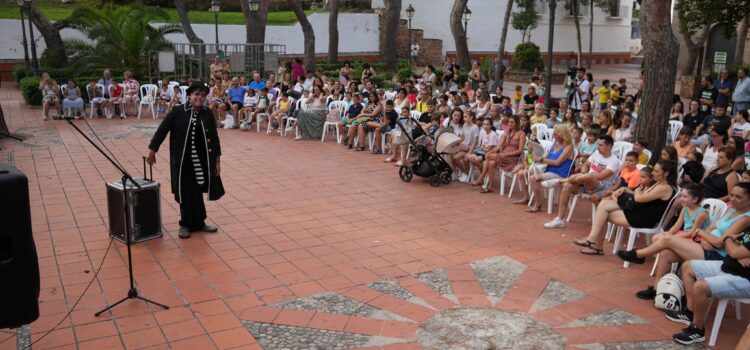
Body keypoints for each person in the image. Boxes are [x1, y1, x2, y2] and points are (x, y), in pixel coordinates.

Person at [665, 183, 750, 345]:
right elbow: (733, 247)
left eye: (738, 197)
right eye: (731, 195)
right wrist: (734, 244)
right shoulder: (738, 215)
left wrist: (731, 242)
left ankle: (697, 329)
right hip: (729, 265)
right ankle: (690, 312)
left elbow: (730, 247)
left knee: (701, 286)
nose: (732, 199)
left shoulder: (746, 219)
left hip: (744, 277)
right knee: (688, 266)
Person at [146, 83, 224, 239]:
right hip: (183, 161)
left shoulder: (207, 113)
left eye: (202, 95)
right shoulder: (177, 111)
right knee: (185, 192)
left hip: (201, 160)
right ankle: (185, 224)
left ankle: (200, 223)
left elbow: (214, 139)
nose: (199, 97)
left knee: (198, 191)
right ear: (189, 95)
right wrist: (152, 151)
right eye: (196, 94)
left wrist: (217, 161)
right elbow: (162, 130)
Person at [616, 184, 710, 299]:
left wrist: (671, 238)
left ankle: (639, 255)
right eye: (681, 196)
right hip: (685, 238)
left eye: (685, 197)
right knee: (663, 248)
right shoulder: (685, 208)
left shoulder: (701, 214)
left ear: (695, 199)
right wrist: (668, 234)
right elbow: (677, 225)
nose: (681, 199)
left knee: (662, 239)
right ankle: (656, 289)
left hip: (696, 242)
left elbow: (692, 233)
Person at [571, 160, 676, 255]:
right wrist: (626, 189)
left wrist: (639, 188)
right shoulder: (659, 184)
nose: (653, 173)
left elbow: (639, 198)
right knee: (604, 204)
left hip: (643, 218)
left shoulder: (664, 188)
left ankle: (595, 244)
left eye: (656, 171)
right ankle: (593, 242)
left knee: (603, 212)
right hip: (639, 210)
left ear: (666, 174)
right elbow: (641, 195)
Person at [545, 135, 621, 229]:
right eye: (598, 144)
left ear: (609, 146)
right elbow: (585, 165)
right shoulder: (596, 153)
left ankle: (560, 180)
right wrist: (584, 174)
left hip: (600, 187)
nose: (598, 147)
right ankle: (560, 219)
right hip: (584, 182)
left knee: (588, 176)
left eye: (601, 145)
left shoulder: (614, 161)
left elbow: (601, 176)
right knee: (567, 186)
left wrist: (585, 176)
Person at [518, 125, 575, 212]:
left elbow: (557, 163)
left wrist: (541, 159)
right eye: (554, 134)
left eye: (556, 135)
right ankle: (526, 197)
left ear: (563, 135)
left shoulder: (568, 147)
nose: (553, 136)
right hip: (549, 169)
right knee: (522, 173)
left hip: (559, 173)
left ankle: (537, 204)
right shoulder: (555, 144)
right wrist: (535, 155)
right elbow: (547, 157)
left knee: (533, 178)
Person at [477, 114, 526, 193]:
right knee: (491, 162)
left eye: (512, 122)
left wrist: (505, 154)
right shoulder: (506, 133)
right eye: (509, 122)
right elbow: (498, 147)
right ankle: (490, 186)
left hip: (512, 157)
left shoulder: (521, 134)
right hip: (502, 155)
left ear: (517, 124)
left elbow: (520, 150)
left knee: (489, 158)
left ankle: (480, 178)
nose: (509, 124)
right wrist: (490, 152)